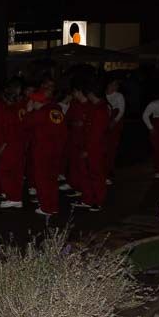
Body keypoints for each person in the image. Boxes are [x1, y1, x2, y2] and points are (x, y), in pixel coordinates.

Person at [26, 91, 66, 217]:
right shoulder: (56, 110)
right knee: (52, 179)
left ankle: (46, 207)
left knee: (42, 179)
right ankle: (53, 206)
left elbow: (25, 124)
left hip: (43, 150)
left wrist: (29, 111)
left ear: (36, 102)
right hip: (56, 150)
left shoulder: (40, 113)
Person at [74, 82, 110, 212]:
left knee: (96, 174)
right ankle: (87, 199)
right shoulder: (95, 107)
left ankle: (98, 201)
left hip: (95, 148)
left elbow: (97, 134)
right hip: (90, 145)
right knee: (86, 173)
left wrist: (88, 150)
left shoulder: (100, 109)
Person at [0, 82, 26, 209]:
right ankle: (17, 198)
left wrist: (3, 145)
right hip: (20, 144)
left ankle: (12, 197)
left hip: (11, 145)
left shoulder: (9, 111)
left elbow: (9, 131)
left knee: (4, 172)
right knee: (17, 173)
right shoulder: (21, 108)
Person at [104, 78, 125, 184]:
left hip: (114, 123)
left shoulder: (119, 96)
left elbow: (121, 110)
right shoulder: (103, 94)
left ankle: (109, 168)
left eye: (116, 84)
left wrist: (114, 122)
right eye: (113, 84)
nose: (115, 86)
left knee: (111, 147)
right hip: (104, 121)